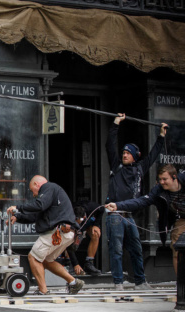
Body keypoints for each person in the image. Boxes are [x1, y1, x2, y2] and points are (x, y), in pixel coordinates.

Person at [105, 113, 168, 291]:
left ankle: (140, 281)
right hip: (115, 215)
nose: (124, 155)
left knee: (136, 249)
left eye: (127, 153)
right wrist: (116, 124)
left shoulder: (140, 168)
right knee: (116, 251)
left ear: (135, 156)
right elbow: (109, 145)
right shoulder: (116, 167)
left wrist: (161, 136)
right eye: (123, 153)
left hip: (129, 215)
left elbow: (154, 154)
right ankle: (118, 282)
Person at [7, 175, 84, 295]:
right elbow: (36, 215)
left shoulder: (48, 187)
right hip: (67, 233)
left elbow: (39, 205)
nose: (34, 195)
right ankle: (73, 282)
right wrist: (18, 217)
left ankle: (43, 291)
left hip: (57, 231)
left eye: (33, 191)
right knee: (46, 261)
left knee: (33, 257)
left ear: (37, 184)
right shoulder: (52, 195)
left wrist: (18, 207)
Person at [106, 164, 184, 276]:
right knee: (177, 250)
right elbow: (141, 201)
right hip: (181, 220)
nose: (162, 182)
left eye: (165, 179)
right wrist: (118, 205)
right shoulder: (159, 191)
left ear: (174, 177)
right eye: (160, 179)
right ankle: (181, 284)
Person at [70, 201, 104, 275]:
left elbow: (102, 209)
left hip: (87, 224)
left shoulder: (92, 208)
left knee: (95, 234)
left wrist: (96, 224)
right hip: (73, 226)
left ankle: (89, 263)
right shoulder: (70, 211)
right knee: (69, 237)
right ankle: (69, 263)